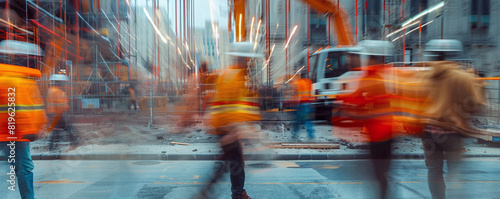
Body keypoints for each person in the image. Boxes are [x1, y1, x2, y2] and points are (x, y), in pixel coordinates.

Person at [420, 39, 486, 199]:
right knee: (454, 171)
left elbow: (417, 104)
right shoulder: (463, 77)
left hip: (430, 131)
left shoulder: (425, 77)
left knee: (434, 170)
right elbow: (477, 105)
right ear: (455, 55)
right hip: (453, 133)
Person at [197, 42, 261, 199]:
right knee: (234, 163)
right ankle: (233, 193)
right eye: (248, 59)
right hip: (227, 127)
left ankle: (228, 192)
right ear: (243, 58)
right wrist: (232, 131)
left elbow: (238, 105)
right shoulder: (234, 77)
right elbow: (228, 107)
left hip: (226, 127)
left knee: (233, 161)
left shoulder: (234, 75)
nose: (250, 63)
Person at [336, 40, 395, 199]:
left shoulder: (375, 78)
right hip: (381, 135)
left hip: (381, 136)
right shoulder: (378, 75)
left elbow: (371, 108)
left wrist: (351, 113)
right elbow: (359, 99)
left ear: (370, 58)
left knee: (379, 175)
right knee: (379, 175)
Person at [0, 41, 47, 199]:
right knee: (24, 168)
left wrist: (41, 124)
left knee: (21, 168)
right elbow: (17, 111)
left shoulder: (22, 80)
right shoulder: (13, 81)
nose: (37, 62)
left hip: (15, 134)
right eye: (34, 59)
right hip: (15, 135)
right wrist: (31, 131)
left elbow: (35, 106)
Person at [46, 74, 79, 151]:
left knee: (59, 130)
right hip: (57, 114)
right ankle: (75, 142)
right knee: (65, 128)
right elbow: (60, 104)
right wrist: (66, 109)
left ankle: (53, 147)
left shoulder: (51, 90)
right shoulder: (57, 91)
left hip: (53, 114)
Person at [290, 74, 315, 139]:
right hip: (308, 104)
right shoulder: (309, 82)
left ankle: (295, 135)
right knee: (308, 120)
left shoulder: (298, 83)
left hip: (300, 105)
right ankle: (311, 135)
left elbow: (295, 95)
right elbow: (312, 93)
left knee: (297, 121)